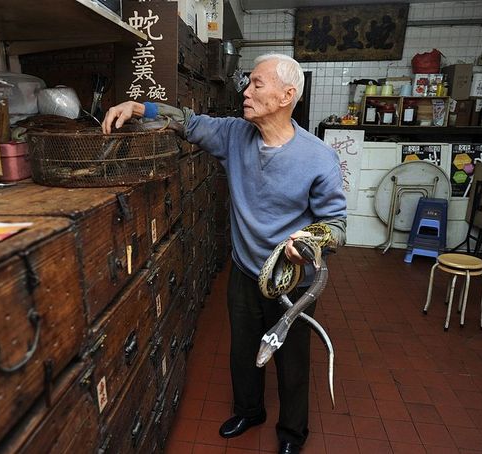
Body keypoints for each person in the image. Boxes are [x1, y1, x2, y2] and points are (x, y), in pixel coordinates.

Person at [103, 53, 346, 454]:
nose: (245, 92)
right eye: (247, 83)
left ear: (287, 95)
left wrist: (309, 243)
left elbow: (336, 224)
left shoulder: (318, 157)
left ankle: (291, 433)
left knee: (292, 362)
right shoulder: (235, 135)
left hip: (292, 282)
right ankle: (250, 411)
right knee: (243, 348)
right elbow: (189, 122)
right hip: (245, 270)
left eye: (256, 84)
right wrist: (139, 106)